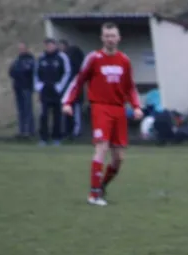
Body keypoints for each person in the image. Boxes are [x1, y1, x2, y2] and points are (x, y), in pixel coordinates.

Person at [62, 22, 143, 206]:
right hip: (100, 107)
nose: (110, 39)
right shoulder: (94, 58)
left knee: (119, 158)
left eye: (113, 35)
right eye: (107, 36)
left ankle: (101, 186)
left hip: (119, 110)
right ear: (102, 38)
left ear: (119, 38)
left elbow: (130, 86)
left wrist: (137, 106)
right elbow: (79, 80)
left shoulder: (124, 60)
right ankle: (93, 195)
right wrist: (67, 102)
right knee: (101, 148)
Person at [35, 38, 71, 146]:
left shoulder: (61, 57)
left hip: (57, 91)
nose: (49, 47)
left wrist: (60, 86)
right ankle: (43, 138)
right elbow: (36, 73)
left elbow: (67, 72)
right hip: (45, 90)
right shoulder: (41, 57)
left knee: (57, 115)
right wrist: (39, 86)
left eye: (50, 45)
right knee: (44, 115)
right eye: (47, 45)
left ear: (55, 45)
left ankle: (57, 138)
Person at [8, 41, 35, 138]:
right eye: (19, 49)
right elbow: (11, 72)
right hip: (18, 87)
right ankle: (22, 131)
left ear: (26, 49)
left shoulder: (30, 59)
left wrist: (19, 72)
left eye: (22, 48)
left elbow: (27, 71)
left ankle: (30, 131)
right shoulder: (17, 60)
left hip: (26, 87)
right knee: (21, 110)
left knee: (28, 110)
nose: (20, 50)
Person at [59, 39, 85, 137]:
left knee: (75, 110)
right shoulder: (64, 59)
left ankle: (75, 131)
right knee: (69, 111)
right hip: (69, 90)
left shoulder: (71, 59)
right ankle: (71, 131)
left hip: (73, 90)